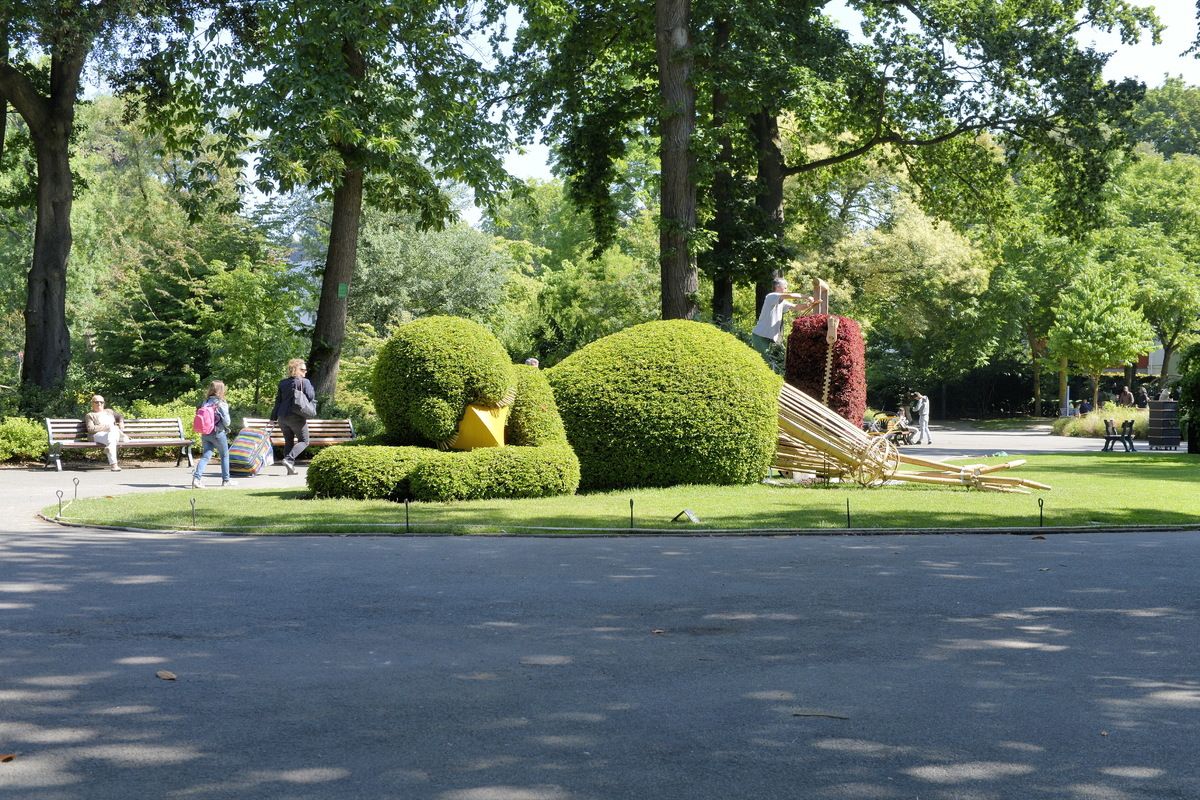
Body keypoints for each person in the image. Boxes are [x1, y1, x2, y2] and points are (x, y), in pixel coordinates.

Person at [270, 358, 316, 475]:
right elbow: (311, 396)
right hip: (296, 416)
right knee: (304, 441)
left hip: (282, 417)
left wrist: (272, 418)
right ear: (296, 369)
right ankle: (289, 459)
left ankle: (290, 469)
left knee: (288, 441)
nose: (305, 372)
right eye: (303, 369)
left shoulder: (283, 383)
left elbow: (278, 402)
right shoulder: (304, 382)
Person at [190, 380, 236, 489]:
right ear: (221, 390)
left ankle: (197, 479)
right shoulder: (221, 403)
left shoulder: (205, 402)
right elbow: (227, 422)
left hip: (205, 433)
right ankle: (226, 480)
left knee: (206, 456)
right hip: (218, 432)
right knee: (224, 455)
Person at [750, 278, 811, 357]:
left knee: (769, 362)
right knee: (767, 361)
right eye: (785, 287)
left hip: (768, 338)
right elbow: (790, 295)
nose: (787, 289)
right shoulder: (771, 296)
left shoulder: (782, 302)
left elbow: (797, 307)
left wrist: (810, 305)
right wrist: (806, 296)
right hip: (760, 336)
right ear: (778, 287)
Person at [85, 394, 124, 471]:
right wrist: (108, 427)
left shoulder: (109, 411)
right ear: (92, 403)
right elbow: (91, 429)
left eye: (101, 402)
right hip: (97, 435)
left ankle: (114, 465)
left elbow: (120, 416)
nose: (99, 404)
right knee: (113, 433)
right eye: (96, 402)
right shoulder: (90, 415)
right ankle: (114, 465)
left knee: (111, 439)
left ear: (104, 403)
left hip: (111, 434)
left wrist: (121, 422)